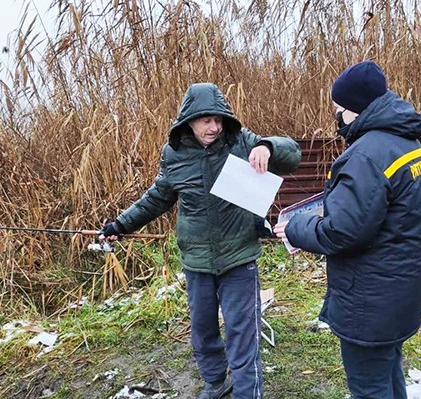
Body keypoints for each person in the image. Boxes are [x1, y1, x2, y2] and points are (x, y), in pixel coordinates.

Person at [99, 82, 301, 399]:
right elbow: (157, 199)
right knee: (203, 330)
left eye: (218, 119)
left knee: (241, 332)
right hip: (197, 260)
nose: (214, 126)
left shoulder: (239, 141)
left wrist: (268, 146)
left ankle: (248, 393)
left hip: (238, 257)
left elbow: (292, 156)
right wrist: (121, 224)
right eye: (207, 119)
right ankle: (216, 381)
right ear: (189, 121)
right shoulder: (174, 154)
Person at [273, 60, 421, 399]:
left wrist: (296, 227)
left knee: (369, 386)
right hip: (399, 289)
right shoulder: (406, 142)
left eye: (339, 110)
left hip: (370, 298)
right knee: (388, 373)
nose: (337, 117)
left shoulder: (365, 156)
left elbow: (342, 232)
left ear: (356, 109)